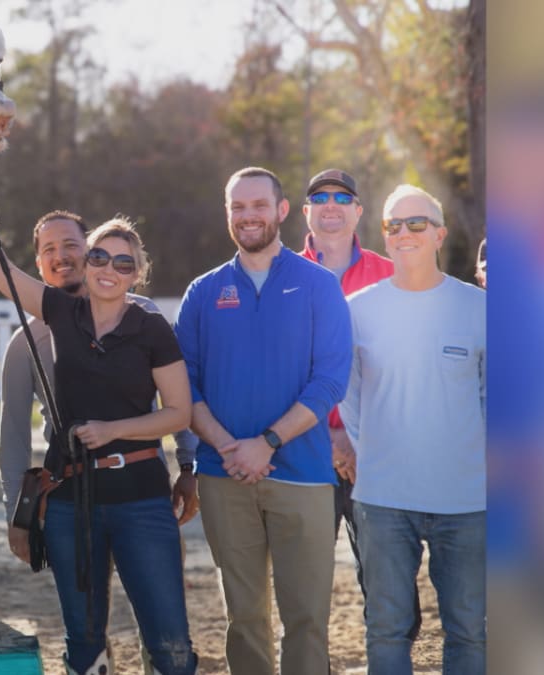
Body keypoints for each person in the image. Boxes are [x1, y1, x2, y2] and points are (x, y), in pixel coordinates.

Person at [0, 216, 198, 675]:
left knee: (171, 644)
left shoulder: (151, 325)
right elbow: (0, 271)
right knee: (83, 644)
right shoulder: (57, 316)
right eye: (100, 257)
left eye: (123, 263)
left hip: (142, 497)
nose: (108, 268)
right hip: (71, 502)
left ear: (137, 273)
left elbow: (180, 411)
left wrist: (181, 462)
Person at [175, 166, 351, 675]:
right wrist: (230, 448)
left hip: (304, 476)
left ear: (281, 210)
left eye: (258, 205)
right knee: (245, 619)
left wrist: (268, 441)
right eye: (237, 206)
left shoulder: (318, 285)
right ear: (227, 214)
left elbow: (330, 381)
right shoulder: (203, 292)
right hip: (224, 475)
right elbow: (185, 386)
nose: (247, 216)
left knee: (307, 619)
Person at [0, 210, 201, 567]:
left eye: (70, 245)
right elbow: (14, 435)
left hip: (143, 487)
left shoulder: (144, 316)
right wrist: (18, 514)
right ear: (39, 264)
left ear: (90, 252)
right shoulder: (24, 343)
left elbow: (177, 400)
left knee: (162, 591)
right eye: (49, 249)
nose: (60, 256)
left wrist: (187, 466)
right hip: (70, 490)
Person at [340, 185, 486, 674]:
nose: (404, 233)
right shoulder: (357, 309)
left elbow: (492, 397)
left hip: (465, 501)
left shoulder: (478, 308)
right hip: (383, 499)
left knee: (468, 630)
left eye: (417, 223)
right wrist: (372, 452)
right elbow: (349, 395)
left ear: (440, 234)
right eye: (393, 225)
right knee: (386, 630)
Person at [297, 168, 421, 641]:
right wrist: (327, 435)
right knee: (304, 588)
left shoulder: (391, 274)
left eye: (341, 197)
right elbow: (277, 370)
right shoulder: (283, 275)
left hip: (379, 451)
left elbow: (408, 365)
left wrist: (355, 436)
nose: (330, 204)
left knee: (391, 587)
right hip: (303, 450)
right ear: (305, 212)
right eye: (319, 197)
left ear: (358, 211)